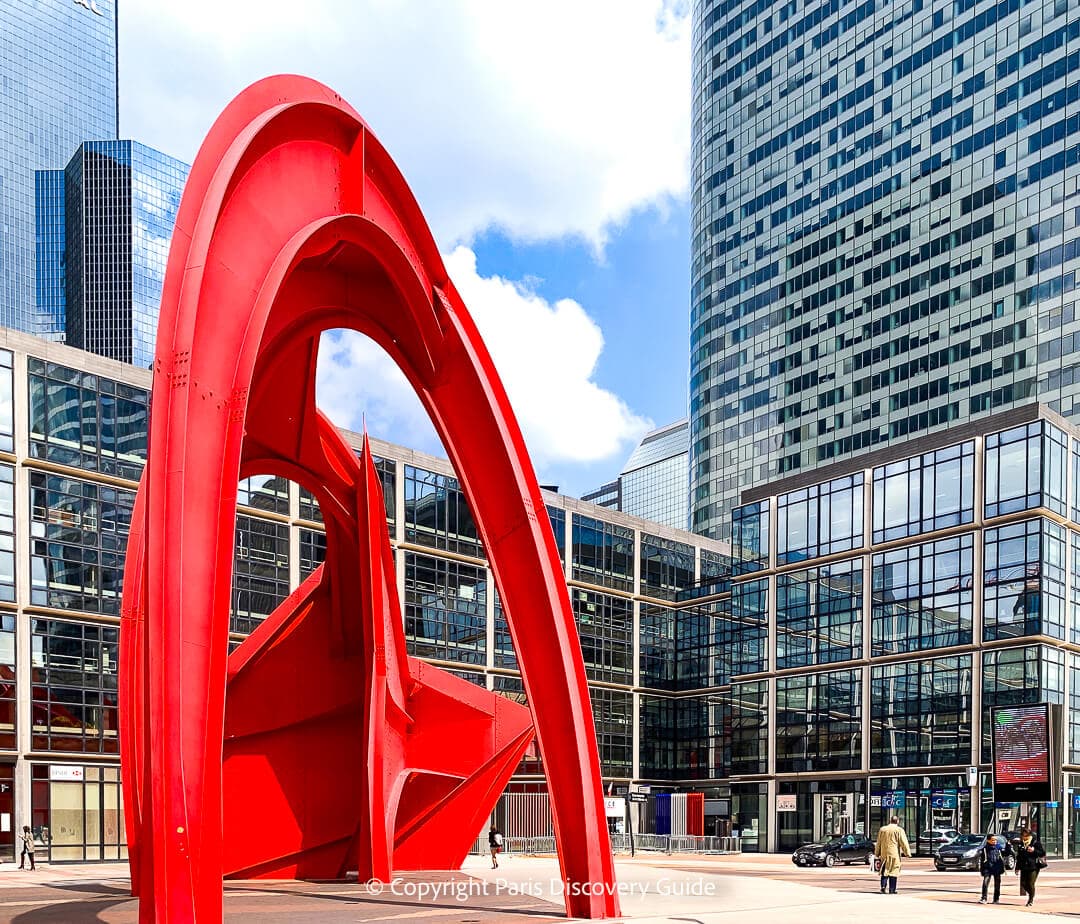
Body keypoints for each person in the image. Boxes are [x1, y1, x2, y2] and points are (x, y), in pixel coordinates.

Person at [874, 815, 911, 894]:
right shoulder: (899, 830)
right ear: (897, 821)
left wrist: (877, 853)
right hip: (894, 854)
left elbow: (878, 842)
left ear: (890, 820)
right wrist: (907, 853)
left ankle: (883, 887)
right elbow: (903, 842)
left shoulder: (883, 829)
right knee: (894, 871)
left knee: (884, 870)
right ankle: (892, 889)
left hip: (884, 853)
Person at [1013, 827, 1046, 906]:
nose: (1024, 838)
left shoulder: (1035, 843)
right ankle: (1032, 893)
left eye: (1026, 836)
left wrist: (1034, 850)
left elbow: (1042, 853)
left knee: (1030, 883)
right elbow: (1019, 857)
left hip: (1034, 866)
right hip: (1024, 866)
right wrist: (1017, 868)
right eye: (1023, 836)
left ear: (1029, 835)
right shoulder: (1021, 844)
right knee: (1024, 884)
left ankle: (1030, 899)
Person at [979, 834, 1006, 904]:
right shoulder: (985, 849)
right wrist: (982, 870)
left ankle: (996, 899)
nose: (994, 841)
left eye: (995, 840)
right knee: (985, 883)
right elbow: (982, 860)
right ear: (988, 840)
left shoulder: (999, 848)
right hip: (988, 868)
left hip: (997, 868)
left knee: (997, 884)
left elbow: (1006, 853)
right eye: (993, 840)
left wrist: (1008, 846)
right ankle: (984, 898)